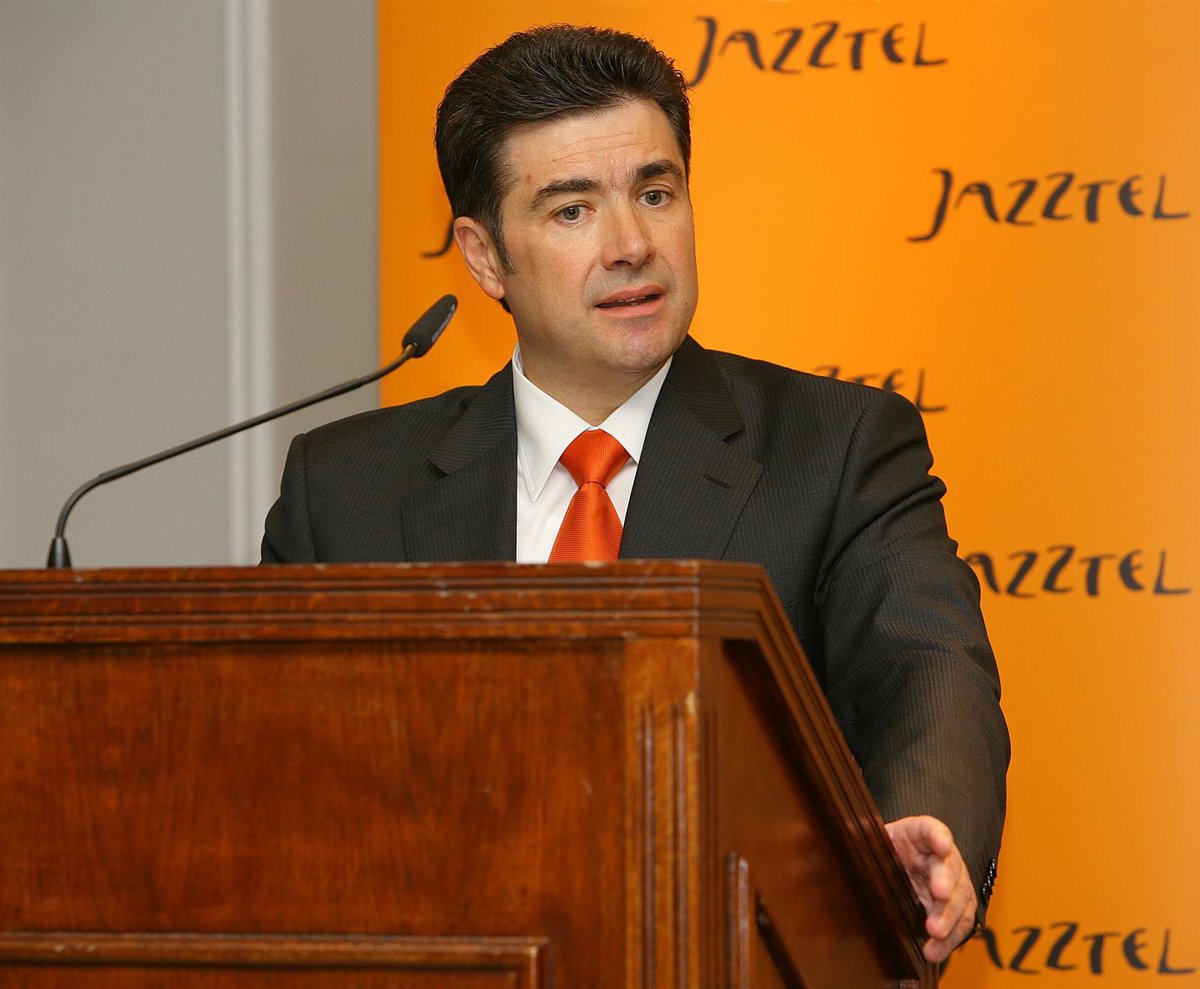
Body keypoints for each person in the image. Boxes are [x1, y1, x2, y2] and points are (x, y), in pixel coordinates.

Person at [262, 24, 1007, 962]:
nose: (631, 245)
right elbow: (279, 780)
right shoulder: (346, 488)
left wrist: (917, 831)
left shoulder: (837, 446)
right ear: (484, 256)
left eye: (656, 194)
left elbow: (929, 669)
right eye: (572, 210)